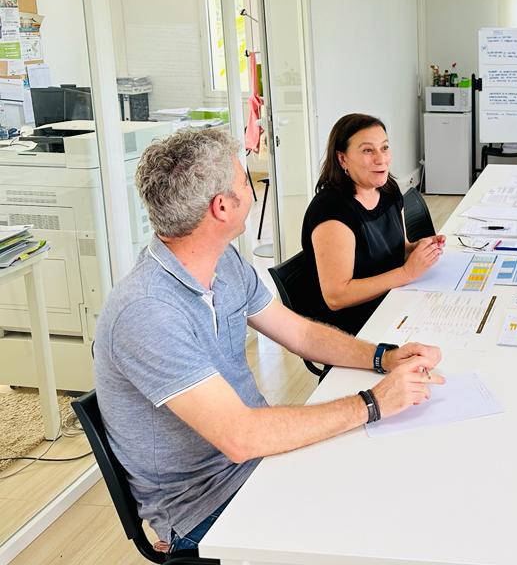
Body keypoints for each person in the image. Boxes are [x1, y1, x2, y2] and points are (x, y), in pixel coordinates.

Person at [93, 128, 445, 554]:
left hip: (263, 459)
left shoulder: (222, 261)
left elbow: (299, 332)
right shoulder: (147, 312)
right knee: (386, 529)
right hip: (211, 504)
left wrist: (383, 357)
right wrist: (373, 403)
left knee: (405, 483)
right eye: (245, 181)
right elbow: (240, 437)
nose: (252, 189)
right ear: (222, 207)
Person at [301, 113, 445, 336]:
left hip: (392, 301)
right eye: (368, 150)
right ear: (342, 159)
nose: (381, 159)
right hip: (353, 327)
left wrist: (418, 249)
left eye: (384, 148)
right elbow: (336, 296)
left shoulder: (388, 190)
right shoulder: (331, 211)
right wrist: (407, 273)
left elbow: (399, 248)